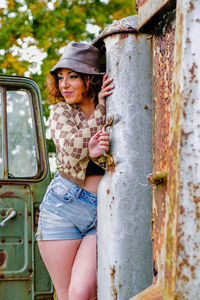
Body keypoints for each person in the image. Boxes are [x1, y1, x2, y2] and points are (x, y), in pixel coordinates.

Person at [36, 41, 114, 300]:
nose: (64, 85)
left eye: (73, 77)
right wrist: (100, 110)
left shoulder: (114, 106)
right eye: (60, 78)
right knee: (68, 295)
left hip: (102, 209)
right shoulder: (61, 111)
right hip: (62, 209)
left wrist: (104, 109)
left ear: (90, 79)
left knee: (83, 293)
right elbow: (70, 149)